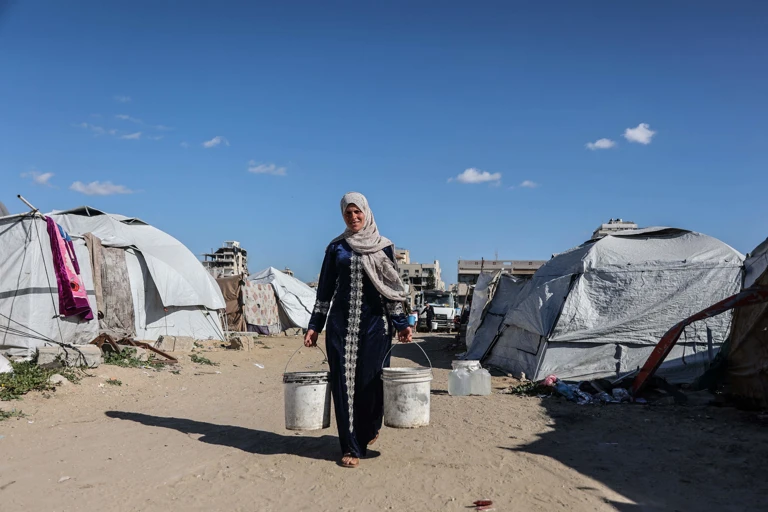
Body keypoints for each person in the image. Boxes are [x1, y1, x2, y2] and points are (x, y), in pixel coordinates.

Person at [304, 192, 412, 469]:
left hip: (376, 326)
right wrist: (314, 326)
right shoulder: (336, 248)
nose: (353, 217)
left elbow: (391, 288)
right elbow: (324, 291)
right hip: (341, 327)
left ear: (366, 212)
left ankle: (370, 427)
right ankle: (351, 446)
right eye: (348, 213)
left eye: (357, 212)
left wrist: (401, 324)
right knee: (344, 386)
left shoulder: (383, 247)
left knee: (371, 383)